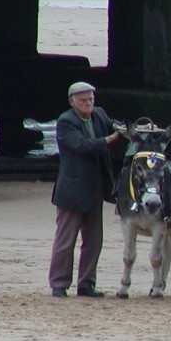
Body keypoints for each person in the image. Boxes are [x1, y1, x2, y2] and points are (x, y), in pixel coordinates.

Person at [48, 81, 124, 297]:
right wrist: (108, 139)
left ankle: (86, 284)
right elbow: (82, 145)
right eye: (83, 100)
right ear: (72, 102)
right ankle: (59, 284)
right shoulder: (65, 122)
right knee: (66, 241)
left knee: (94, 241)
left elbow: (113, 124)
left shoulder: (99, 114)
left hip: (96, 190)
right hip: (71, 192)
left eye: (91, 99)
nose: (88, 103)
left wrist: (128, 129)